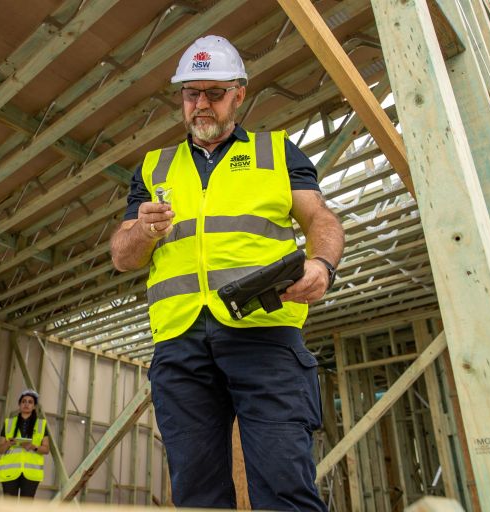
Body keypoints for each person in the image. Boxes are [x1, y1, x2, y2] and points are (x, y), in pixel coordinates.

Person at [110, 35, 344, 511]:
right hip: (180, 342)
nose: (201, 104)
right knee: (197, 493)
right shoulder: (156, 166)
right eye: (191, 93)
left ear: (239, 93)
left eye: (214, 93)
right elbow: (122, 255)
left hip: (264, 335)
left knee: (283, 483)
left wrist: (322, 264)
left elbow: (321, 218)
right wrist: (145, 233)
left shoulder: (277, 152)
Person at [0, 389, 50, 498]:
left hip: (31, 473)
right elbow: (1, 449)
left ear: (34, 406)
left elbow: (46, 450)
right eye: (24, 401)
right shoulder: (9, 423)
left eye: (30, 402)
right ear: (19, 405)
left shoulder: (41, 424)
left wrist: (33, 447)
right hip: (10, 472)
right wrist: (8, 443)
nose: (26, 404)